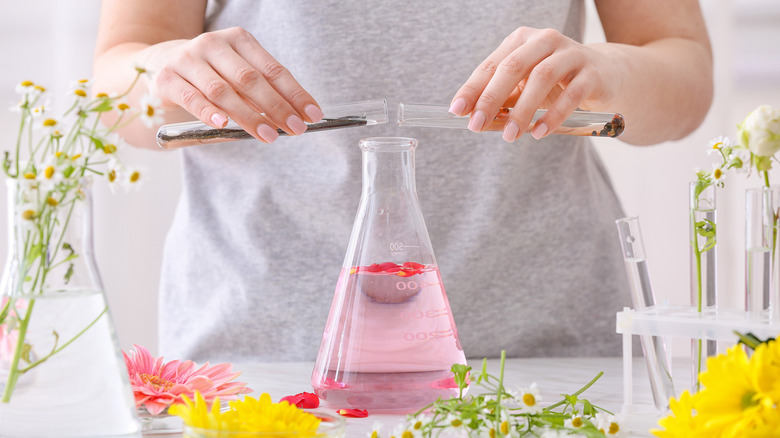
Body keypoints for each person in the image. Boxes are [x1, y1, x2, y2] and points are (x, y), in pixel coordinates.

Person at [92, 0, 713, 363]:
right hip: (260, 350)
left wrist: (606, 71)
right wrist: (162, 73)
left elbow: (681, 67)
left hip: (544, 351)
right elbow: (114, 72)